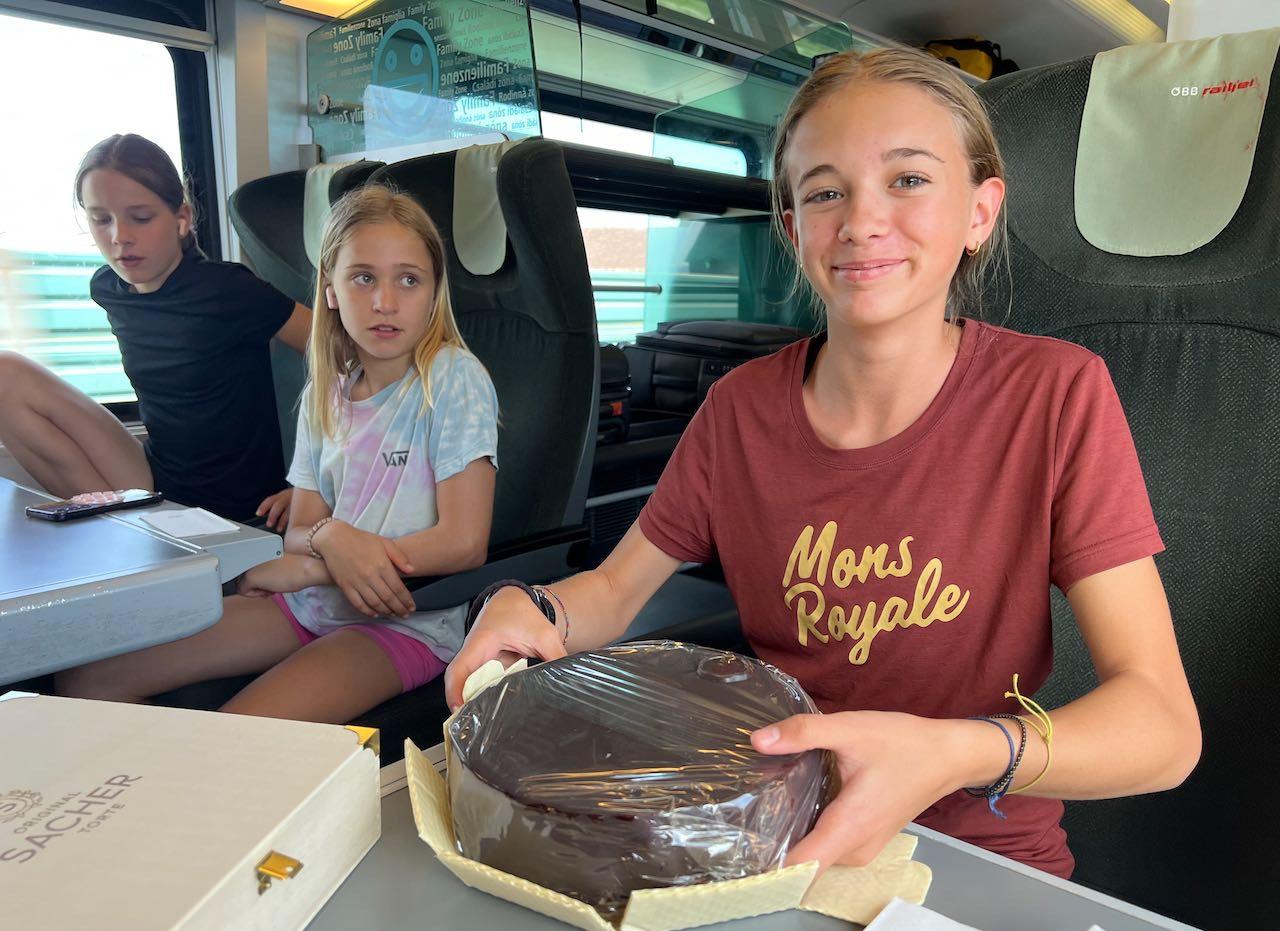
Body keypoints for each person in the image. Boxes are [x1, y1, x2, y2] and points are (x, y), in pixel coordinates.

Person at [445, 48, 1201, 878]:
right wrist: (531, 606)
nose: (862, 221)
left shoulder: (1053, 395)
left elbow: (1163, 730)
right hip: (765, 838)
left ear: (980, 212)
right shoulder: (739, 411)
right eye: (825, 192)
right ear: (793, 227)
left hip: (975, 852)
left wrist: (952, 754)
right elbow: (615, 594)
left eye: (908, 180)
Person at [57, 185, 499, 722]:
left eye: (408, 279)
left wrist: (315, 571)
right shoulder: (325, 393)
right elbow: (301, 528)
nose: (385, 301)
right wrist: (330, 537)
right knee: (86, 678)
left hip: (407, 621)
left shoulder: (451, 377)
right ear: (330, 291)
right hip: (308, 607)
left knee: (234, 736)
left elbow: (463, 543)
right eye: (363, 278)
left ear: (433, 292)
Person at [0, 133, 308, 526]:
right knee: (4, 374)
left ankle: (133, 531)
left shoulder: (229, 290)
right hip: (156, 482)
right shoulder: (108, 289)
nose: (119, 237)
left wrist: (311, 486)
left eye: (141, 218)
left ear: (182, 219)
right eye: (101, 219)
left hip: (241, 505)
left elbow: (343, 355)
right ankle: (121, 528)